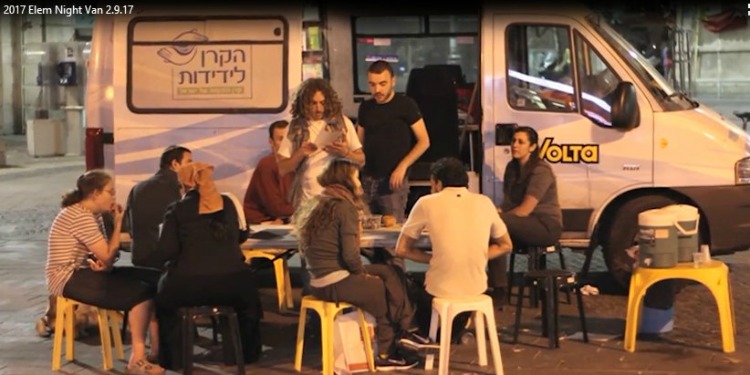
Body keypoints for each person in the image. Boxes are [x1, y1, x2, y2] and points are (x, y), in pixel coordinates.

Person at [295, 158, 419, 371]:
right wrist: (362, 275)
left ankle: (406, 328)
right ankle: (385, 353)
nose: (360, 182)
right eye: (355, 177)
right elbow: (351, 256)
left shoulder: (317, 202)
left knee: (391, 272)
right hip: (335, 280)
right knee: (382, 290)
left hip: (318, 278)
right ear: (345, 181)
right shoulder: (344, 208)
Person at [45, 170, 164, 374]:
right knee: (140, 293)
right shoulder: (79, 215)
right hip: (66, 278)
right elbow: (108, 254)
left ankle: (156, 350)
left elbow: (105, 258)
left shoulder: (95, 215)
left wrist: (103, 262)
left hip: (83, 270)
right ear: (95, 194)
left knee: (156, 278)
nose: (114, 197)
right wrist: (118, 224)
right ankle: (137, 359)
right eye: (110, 192)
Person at [151, 162, 263, 371]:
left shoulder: (176, 210)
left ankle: (174, 360)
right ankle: (242, 355)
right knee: (249, 303)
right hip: (234, 284)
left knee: (164, 301)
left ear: (184, 184)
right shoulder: (228, 204)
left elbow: (167, 250)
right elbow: (241, 235)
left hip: (188, 286)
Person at [395, 157, 512, 342]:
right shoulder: (485, 202)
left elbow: (401, 249)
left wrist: (433, 258)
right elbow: (506, 245)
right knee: (451, 289)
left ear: (438, 182)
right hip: (476, 287)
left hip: (441, 289)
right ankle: (455, 330)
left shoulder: (427, 202)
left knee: (405, 282)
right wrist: (478, 256)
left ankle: (426, 336)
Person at [487, 126, 563, 305]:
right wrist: (490, 213)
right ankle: (498, 287)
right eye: (513, 141)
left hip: (545, 225)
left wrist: (498, 218)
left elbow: (524, 210)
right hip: (524, 223)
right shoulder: (511, 168)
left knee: (496, 225)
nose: (515, 145)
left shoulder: (540, 170)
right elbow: (508, 204)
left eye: (521, 142)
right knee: (491, 228)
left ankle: (499, 293)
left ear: (532, 147)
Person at [357, 60, 430, 223]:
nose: (377, 90)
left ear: (393, 81)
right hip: (367, 180)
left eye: (382, 84)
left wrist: (402, 166)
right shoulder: (365, 108)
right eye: (372, 84)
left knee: (391, 233)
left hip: (393, 181)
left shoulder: (406, 105)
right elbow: (358, 144)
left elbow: (424, 141)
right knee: (366, 236)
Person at [277, 77, 365, 207]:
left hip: (340, 200)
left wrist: (345, 153)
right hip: (308, 201)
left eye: (323, 103)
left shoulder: (343, 123)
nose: (319, 109)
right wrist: (300, 153)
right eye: (313, 103)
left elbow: (361, 160)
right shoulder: (295, 127)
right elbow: (282, 168)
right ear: (304, 103)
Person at [124, 145, 192, 269]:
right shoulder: (177, 189)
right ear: (175, 164)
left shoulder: (138, 188)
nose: (192, 167)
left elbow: (129, 228)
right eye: (189, 162)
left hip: (140, 259)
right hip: (165, 262)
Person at [242, 120, 294, 224]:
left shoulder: (295, 162)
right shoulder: (267, 165)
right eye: (280, 139)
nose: (285, 144)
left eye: (289, 139)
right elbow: (276, 208)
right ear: (271, 142)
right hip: (262, 223)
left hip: (283, 219)